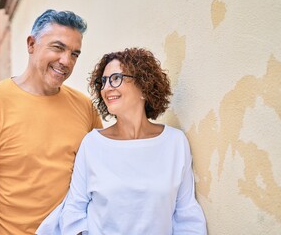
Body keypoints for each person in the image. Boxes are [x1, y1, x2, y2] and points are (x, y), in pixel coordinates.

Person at [0, 9, 102, 234]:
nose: (66, 61)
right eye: (58, 47)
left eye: (75, 54)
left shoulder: (85, 107)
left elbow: (98, 179)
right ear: (31, 44)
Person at [36, 47, 207, 234]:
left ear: (144, 87)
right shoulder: (92, 144)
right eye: (103, 81)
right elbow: (74, 210)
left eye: (116, 78)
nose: (107, 87)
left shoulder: (175, 142)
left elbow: (187, 215)